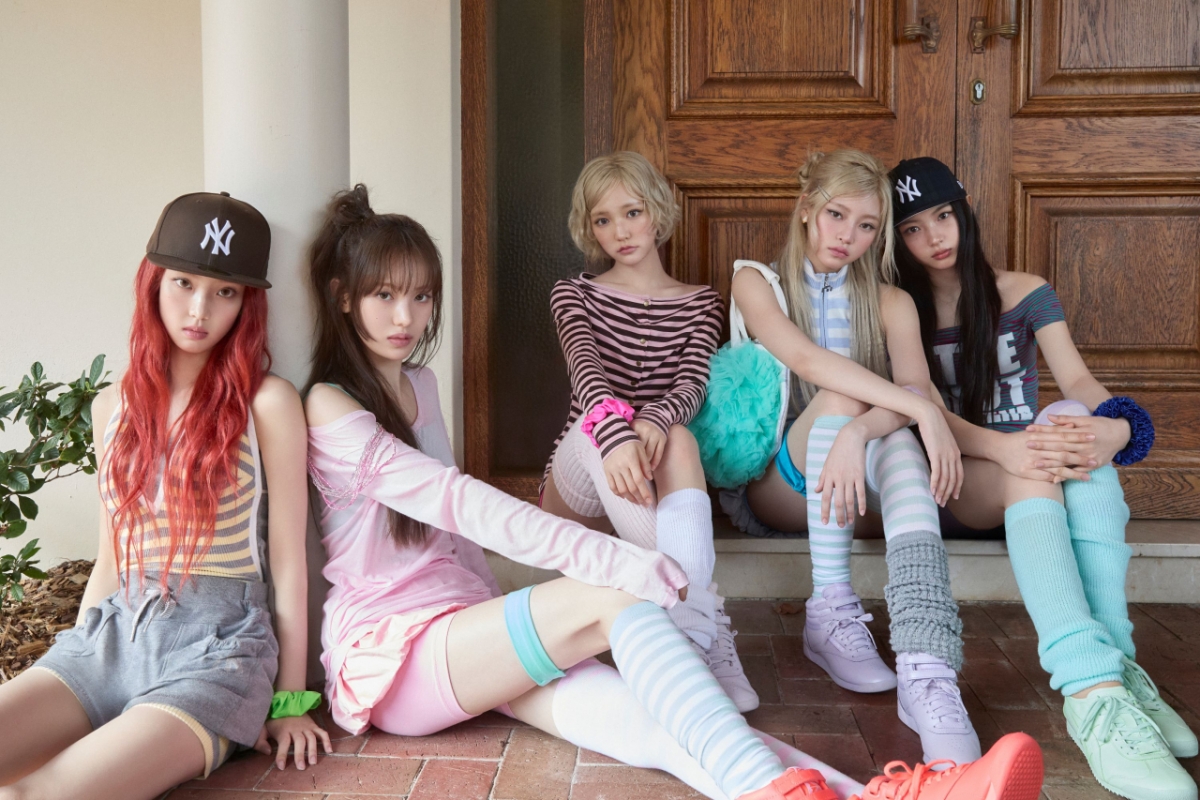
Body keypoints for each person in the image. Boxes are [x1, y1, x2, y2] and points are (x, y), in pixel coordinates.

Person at [302, 183, 1044, 800]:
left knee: (672, 724)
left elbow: (455, 543)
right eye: (384, 296)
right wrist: (622, 560)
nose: (406, 317)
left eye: (420, 297)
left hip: (468, 630)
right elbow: (460, 504)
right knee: (616, 595)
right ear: (342, 299)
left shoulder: (420, 385)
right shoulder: (331, 406)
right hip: (394, 655)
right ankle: (702, 632)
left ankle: (875, 794)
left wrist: (497, 599)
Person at [0, 192, 329, 800]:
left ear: (247, 304)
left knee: (34, 795)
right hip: (112, 634)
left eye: (225, 292)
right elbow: (111, 557)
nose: (200, 309)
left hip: (218, 650)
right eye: (183, 283)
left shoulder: (266, 403)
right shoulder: (112, 407)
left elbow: (288, 563)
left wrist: (289, 701)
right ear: (152, 281)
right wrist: (80, 646)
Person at [890, 156, 1198, 800]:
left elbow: (1078, 380)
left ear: (964, 212)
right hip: (959, 478)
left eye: (943, 216)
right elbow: (925, 414)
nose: (935, 236)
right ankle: (1090, 692)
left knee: (1069, 418)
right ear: (897, 239)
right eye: (913, 227)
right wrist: (1005, 450)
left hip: (1035, 466)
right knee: (1040, 454)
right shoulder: (900, 309)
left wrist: (1117, 428)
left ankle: (1118, 673)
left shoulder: (1026, 292)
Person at [727, 150, 978, 765]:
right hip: (778, 485)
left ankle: (926, 662)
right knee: (851, 404)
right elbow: (807, 362)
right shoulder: (757, 282)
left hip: (855, 484)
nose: (848, 235)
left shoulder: (891, 302)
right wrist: (917, 409)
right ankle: (829, 609)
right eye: (836, 215)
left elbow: (908, 400)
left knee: (897, 445)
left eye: (867, 225)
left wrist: (861, 429)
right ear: (806, 209)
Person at [539, 151, 755, 710]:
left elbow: (692, 384)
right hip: (580, 484)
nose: (620, 231)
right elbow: (586, 373)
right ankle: (705, 620)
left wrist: (656, 418)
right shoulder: (573, 293)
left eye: (631, 213)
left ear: (657, 211)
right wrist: (618, 434)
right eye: (603, 219)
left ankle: (690, 637)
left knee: (679, 435)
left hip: (651, 486)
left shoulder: (702, 304)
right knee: (596, 430)